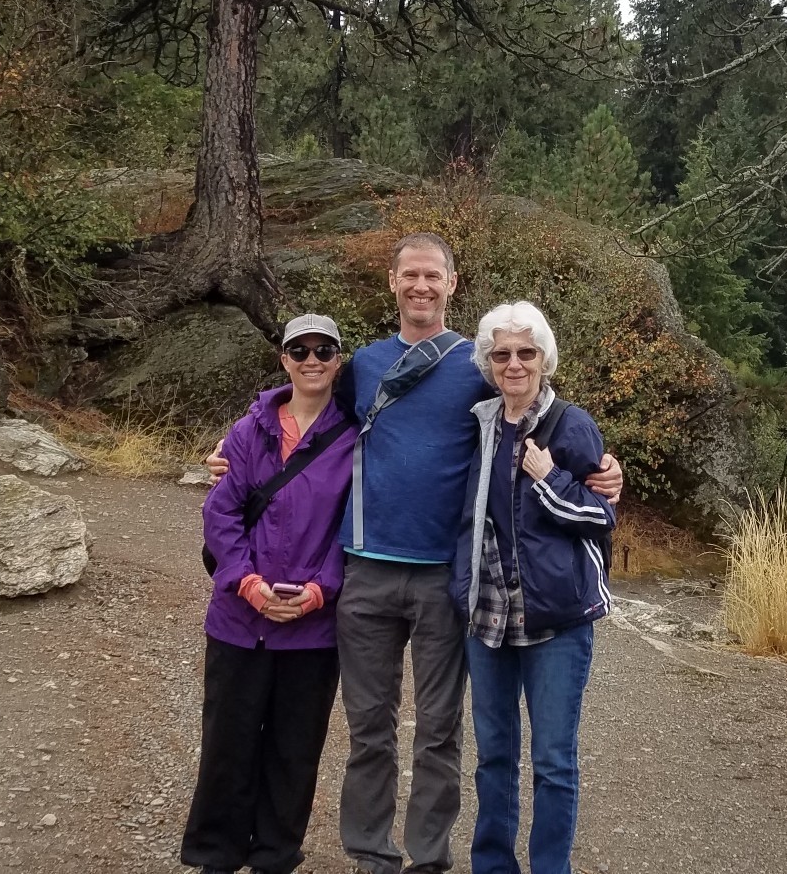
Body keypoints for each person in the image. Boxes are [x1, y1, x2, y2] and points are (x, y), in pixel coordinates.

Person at [204, 233, 623, 874]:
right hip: (365, 571)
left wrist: (602, 474)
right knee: (368, 727)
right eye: (410, 275)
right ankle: (372, 853)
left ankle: (428, 858)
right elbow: (303, 407)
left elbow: (534, 416)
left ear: (452, 284)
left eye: (433, 276)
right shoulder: (364, 366)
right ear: (393, 283)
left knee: (438, 732)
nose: (421, 286)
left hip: (444, 578)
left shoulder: (477, 369)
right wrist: (235, 455)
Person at [184, 315, 359, 874]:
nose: (312, 360)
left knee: (294, 750)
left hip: (313, 625)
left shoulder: (355, 437)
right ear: (284, 359)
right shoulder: (249, 429)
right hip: (240, 618)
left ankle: (274, 855)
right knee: (228, 741)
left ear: (338, 360)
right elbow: (222, 511)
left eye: (323, 350)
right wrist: (248, 583)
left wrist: (319, 591)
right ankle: (216, 853)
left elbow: (353, 527)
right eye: (300, 350)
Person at [452, 301, 614, 874]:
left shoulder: (571, 425)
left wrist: (548, 478)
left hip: (556, 620)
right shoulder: (481, 423)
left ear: (544, 359)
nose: (514, 364)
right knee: (493, 758)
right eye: (502, 354)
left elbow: (601, 515)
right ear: (488, 362)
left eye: (526, 353)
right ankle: (492, 866)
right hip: (487, 617)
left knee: (553, 763)